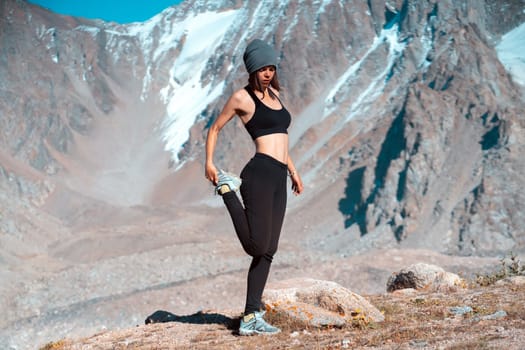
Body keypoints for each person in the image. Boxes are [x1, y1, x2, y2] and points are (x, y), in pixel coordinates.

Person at [204, 39, 304, 335]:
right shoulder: (242, 98)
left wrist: (293, 171)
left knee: (268, 250)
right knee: (256, 246)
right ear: (252, 70)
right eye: (262, 68)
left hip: (278, 175)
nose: (268, 73)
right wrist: (209, 163)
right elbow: (215, 128)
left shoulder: (275, 95)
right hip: (259, 173)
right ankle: (227, 190)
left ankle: (250, 317)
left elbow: (281, 138)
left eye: (271, 67)